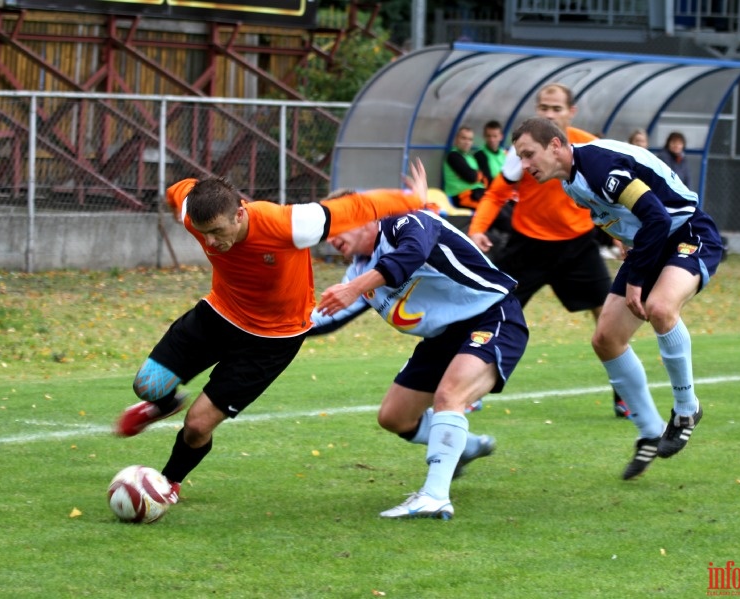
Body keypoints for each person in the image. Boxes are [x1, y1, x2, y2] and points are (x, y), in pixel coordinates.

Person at [113, 169, 427, 504]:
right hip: (219, 313)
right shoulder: (195, 212)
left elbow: (357, 207)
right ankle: (163, 404)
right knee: (148, 385)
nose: (210, 242)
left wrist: (414, 200)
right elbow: (178, 190)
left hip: (273, 338)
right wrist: (177, 207)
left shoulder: (289, 224)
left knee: (197, 425)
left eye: (217, 232)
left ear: (240, 213)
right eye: (203, 234)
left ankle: (167, 483)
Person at [310, 164, 529, 520]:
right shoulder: (359, 271)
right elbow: (319, 320)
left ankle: (435, 495)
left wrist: (354, 288)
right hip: (443, 339)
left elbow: (411, 254)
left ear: (365, 215)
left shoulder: (407, 223)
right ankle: (466, 447)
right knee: (394, 417)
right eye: (327, 230)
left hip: (493, 315)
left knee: (449, 396)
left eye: (337, 225)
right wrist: (261, 327)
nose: (330, 238)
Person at [510, 117, 725, 480]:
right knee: (606, 339)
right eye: (520, 157)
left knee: (659, 307)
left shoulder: (598, 166)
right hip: (651, 242)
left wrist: (636, 280)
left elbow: (656, 216)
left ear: (556, 146)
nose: (525, 165)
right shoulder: (570, 183)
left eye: (529, 154)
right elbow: (627, 217)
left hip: (686, 231)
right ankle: (650, 430)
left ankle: (687, 409)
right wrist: (627, 242)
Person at [467, 83, 629, 418]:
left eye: (556, 108)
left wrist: (622, 235)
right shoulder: (522, 149)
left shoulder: (591, 147)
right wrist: (477, 229)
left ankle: (626, 396)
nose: (549, 114)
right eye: (544, 107)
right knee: (488, 312)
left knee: (610, 319)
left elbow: (613, 198)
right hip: (528, 245)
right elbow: (497, 194)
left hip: (578, 246)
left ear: (572, 112)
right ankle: (469, 391)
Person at [442, 125, 487, 210]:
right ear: (456, 140)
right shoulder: (453, 156)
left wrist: (476, 175)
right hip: (462, 196)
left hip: (477, 193)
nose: (467, 142)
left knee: (504, 207)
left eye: (470, 139)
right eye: (464, 138)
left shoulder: (470, 158)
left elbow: (482, 177)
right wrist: (476, 175)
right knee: (493, 211)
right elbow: (471, 176)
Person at [474, 120, 508, 186]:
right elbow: (487, 180)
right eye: (488, 136)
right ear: (484, 136)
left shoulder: (506, 154)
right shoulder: (480, 155)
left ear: (501, 137)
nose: (492, 140)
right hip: (492, 192)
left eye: (495, 136)